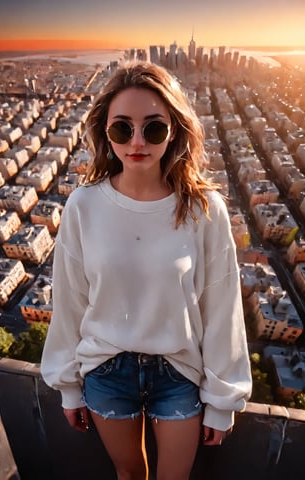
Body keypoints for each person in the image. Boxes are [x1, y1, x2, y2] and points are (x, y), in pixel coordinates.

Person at [41, 61, 252, 480]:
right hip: (106, 369)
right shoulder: (84, 205)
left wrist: (222, 400)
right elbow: (69, 301)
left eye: (153, 128)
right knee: (129, 474)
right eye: (123, 128)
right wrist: (68, 388)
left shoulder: (203, 209)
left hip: (177, 371)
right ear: (105, 131)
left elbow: (222, 307)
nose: (137, 141)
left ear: (174, 129)